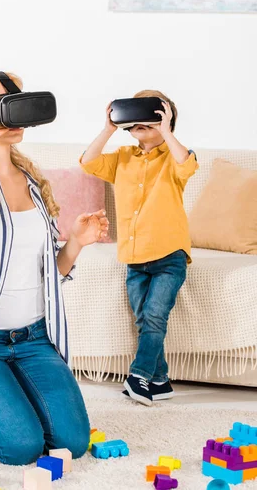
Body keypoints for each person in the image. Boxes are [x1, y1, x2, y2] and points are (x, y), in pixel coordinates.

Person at [0, 71, 109, 464]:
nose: (13, 116)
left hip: (34, 339)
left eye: (16, 101)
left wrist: (76, 243)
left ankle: (9, 389)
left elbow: (49, 277)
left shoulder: (32, 182)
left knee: (72, 444)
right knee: (20, 448)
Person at [80, 90, 199, 406]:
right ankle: (160, 381)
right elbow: (88, 162)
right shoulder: (122, 158)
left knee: (155, 316)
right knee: (145, 319)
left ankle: (138, 375)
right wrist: (108, 128)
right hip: (134, 258)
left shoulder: (175, 158)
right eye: (134, 125)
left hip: (169, 255)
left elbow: (187, 165)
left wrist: (167, 132)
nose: (138, 130)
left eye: (148, 125)